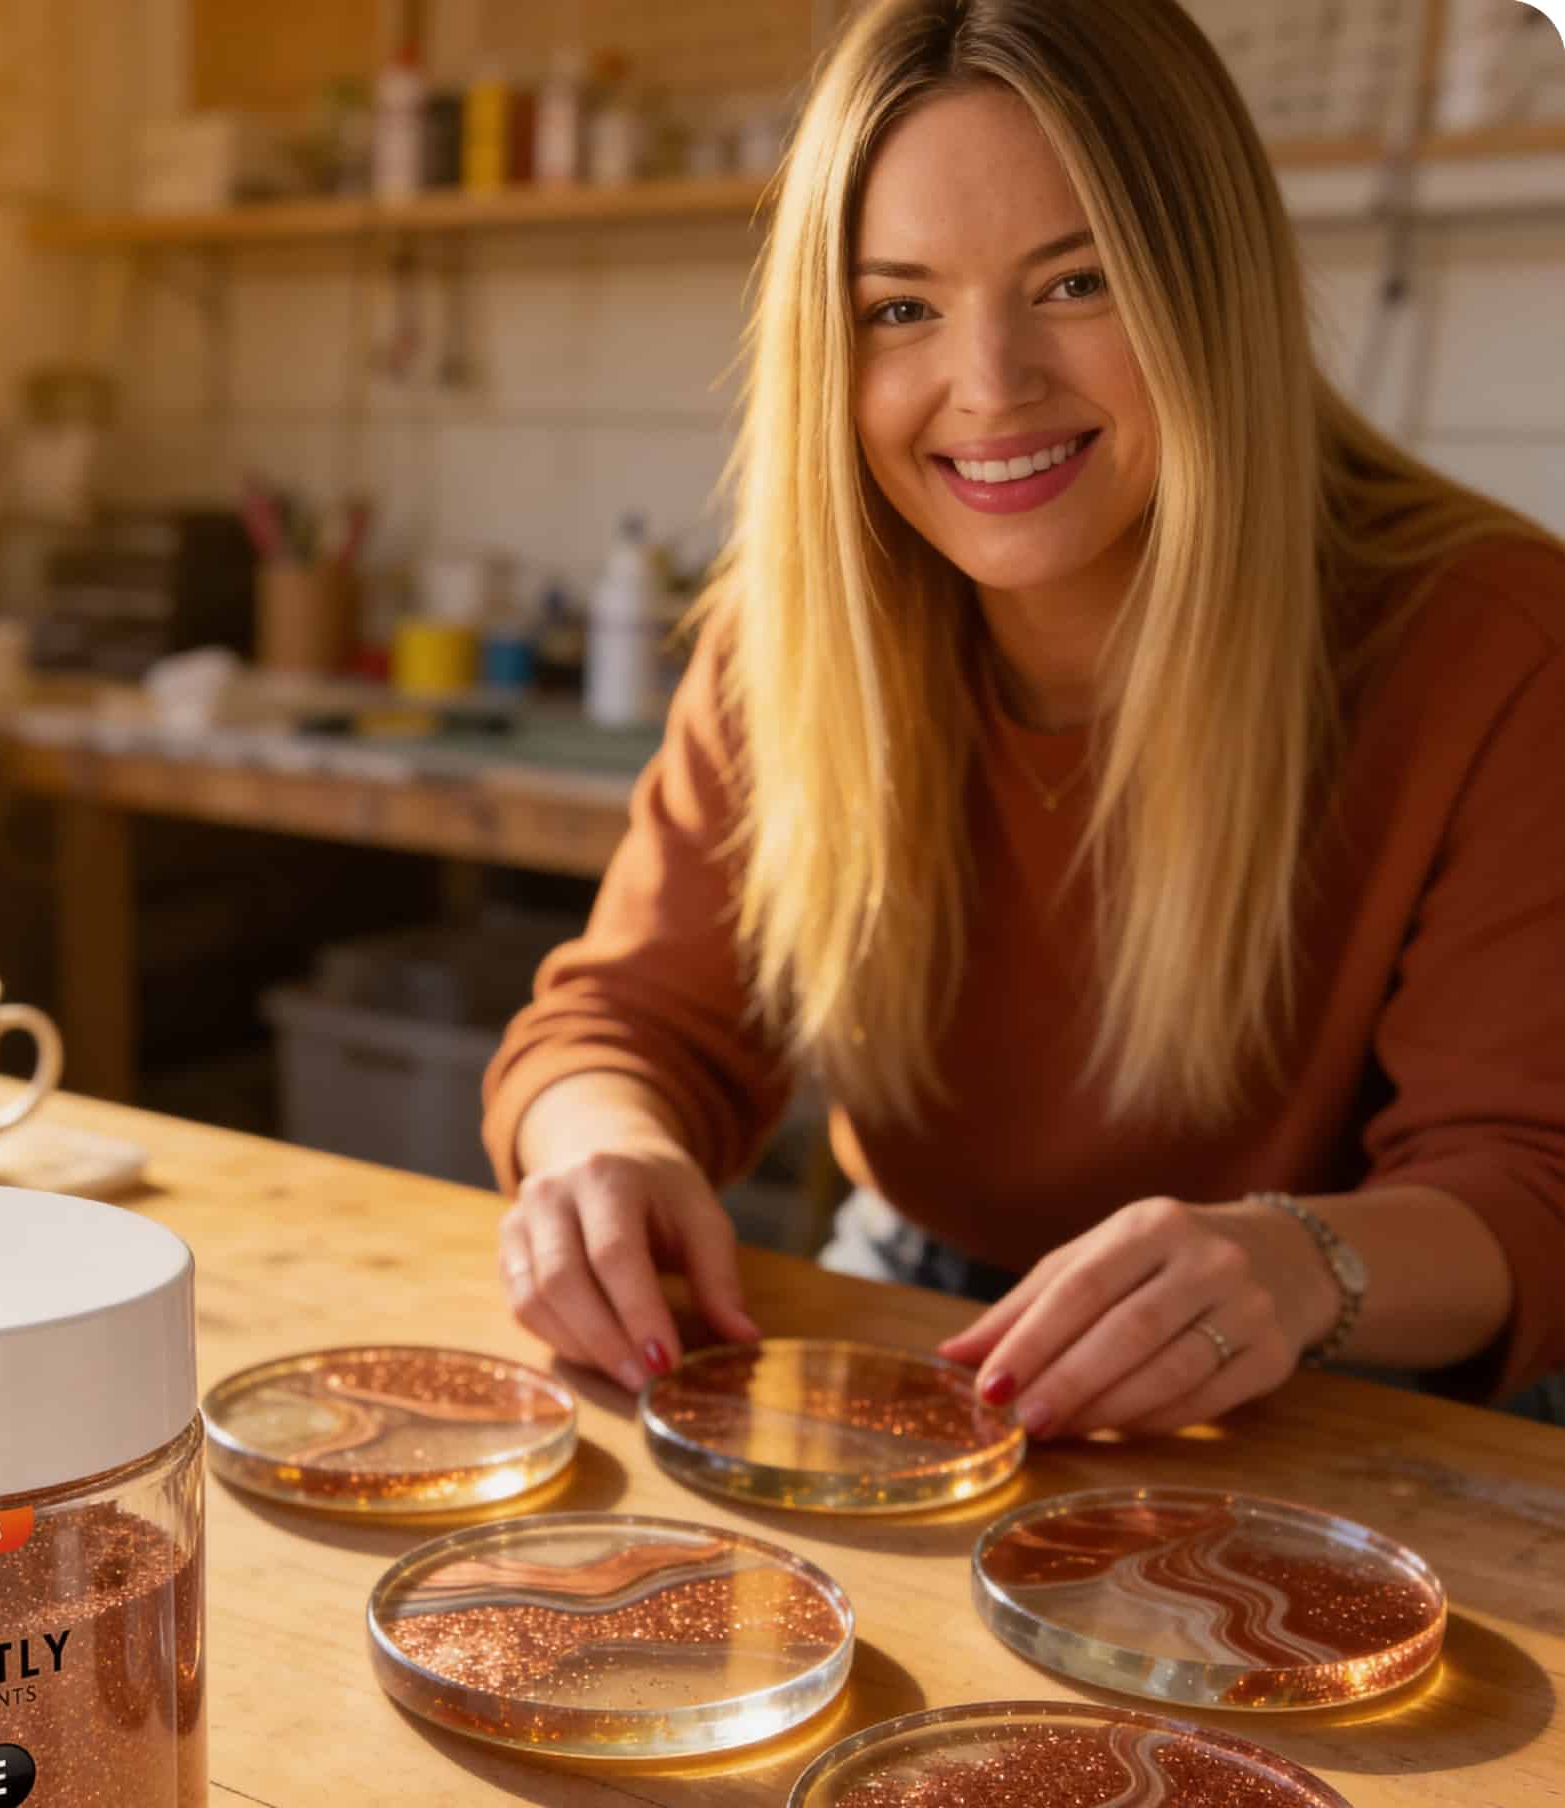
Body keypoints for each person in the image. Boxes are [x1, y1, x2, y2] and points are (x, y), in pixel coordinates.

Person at [482, 0, 1565, 1437]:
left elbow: (1525, 1186)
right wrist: (599, 1151)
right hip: (931, 1298)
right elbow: (622, 1025)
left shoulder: (1500, 644)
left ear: (1210, 286)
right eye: (900, 309)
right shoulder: (789, 628)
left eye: (1076, 282)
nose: (990, 387)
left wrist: (1296, 1265)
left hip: (1353, 1360)